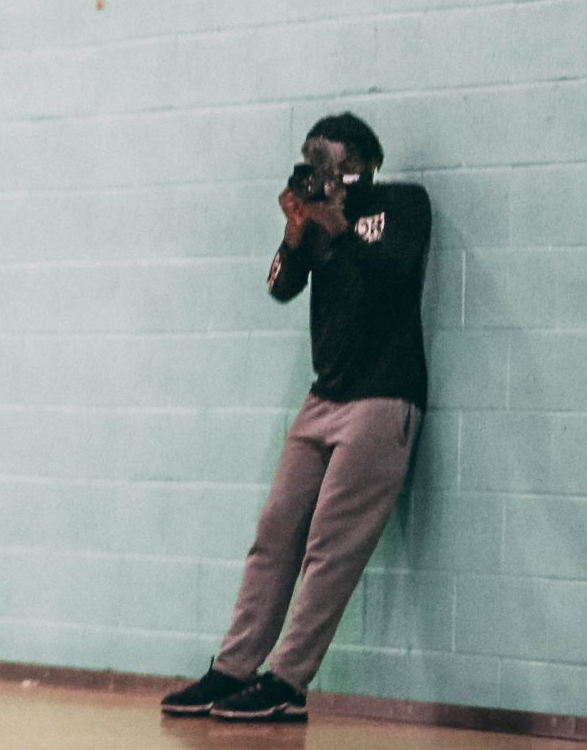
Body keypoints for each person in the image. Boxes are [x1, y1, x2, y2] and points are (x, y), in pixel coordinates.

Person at [162, 113, 431, 724]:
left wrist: (343, 226)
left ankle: (286, 681)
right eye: (311, 164)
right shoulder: (315, 223)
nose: (319, 175)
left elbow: (398, 271)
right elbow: (280, 288)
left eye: (329, 164)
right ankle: (233, 668)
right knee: (276, 529)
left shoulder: (402, 204)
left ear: (359, 164)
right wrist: (294, 231)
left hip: (383, 396)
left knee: (330, 545)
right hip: (324, 399)